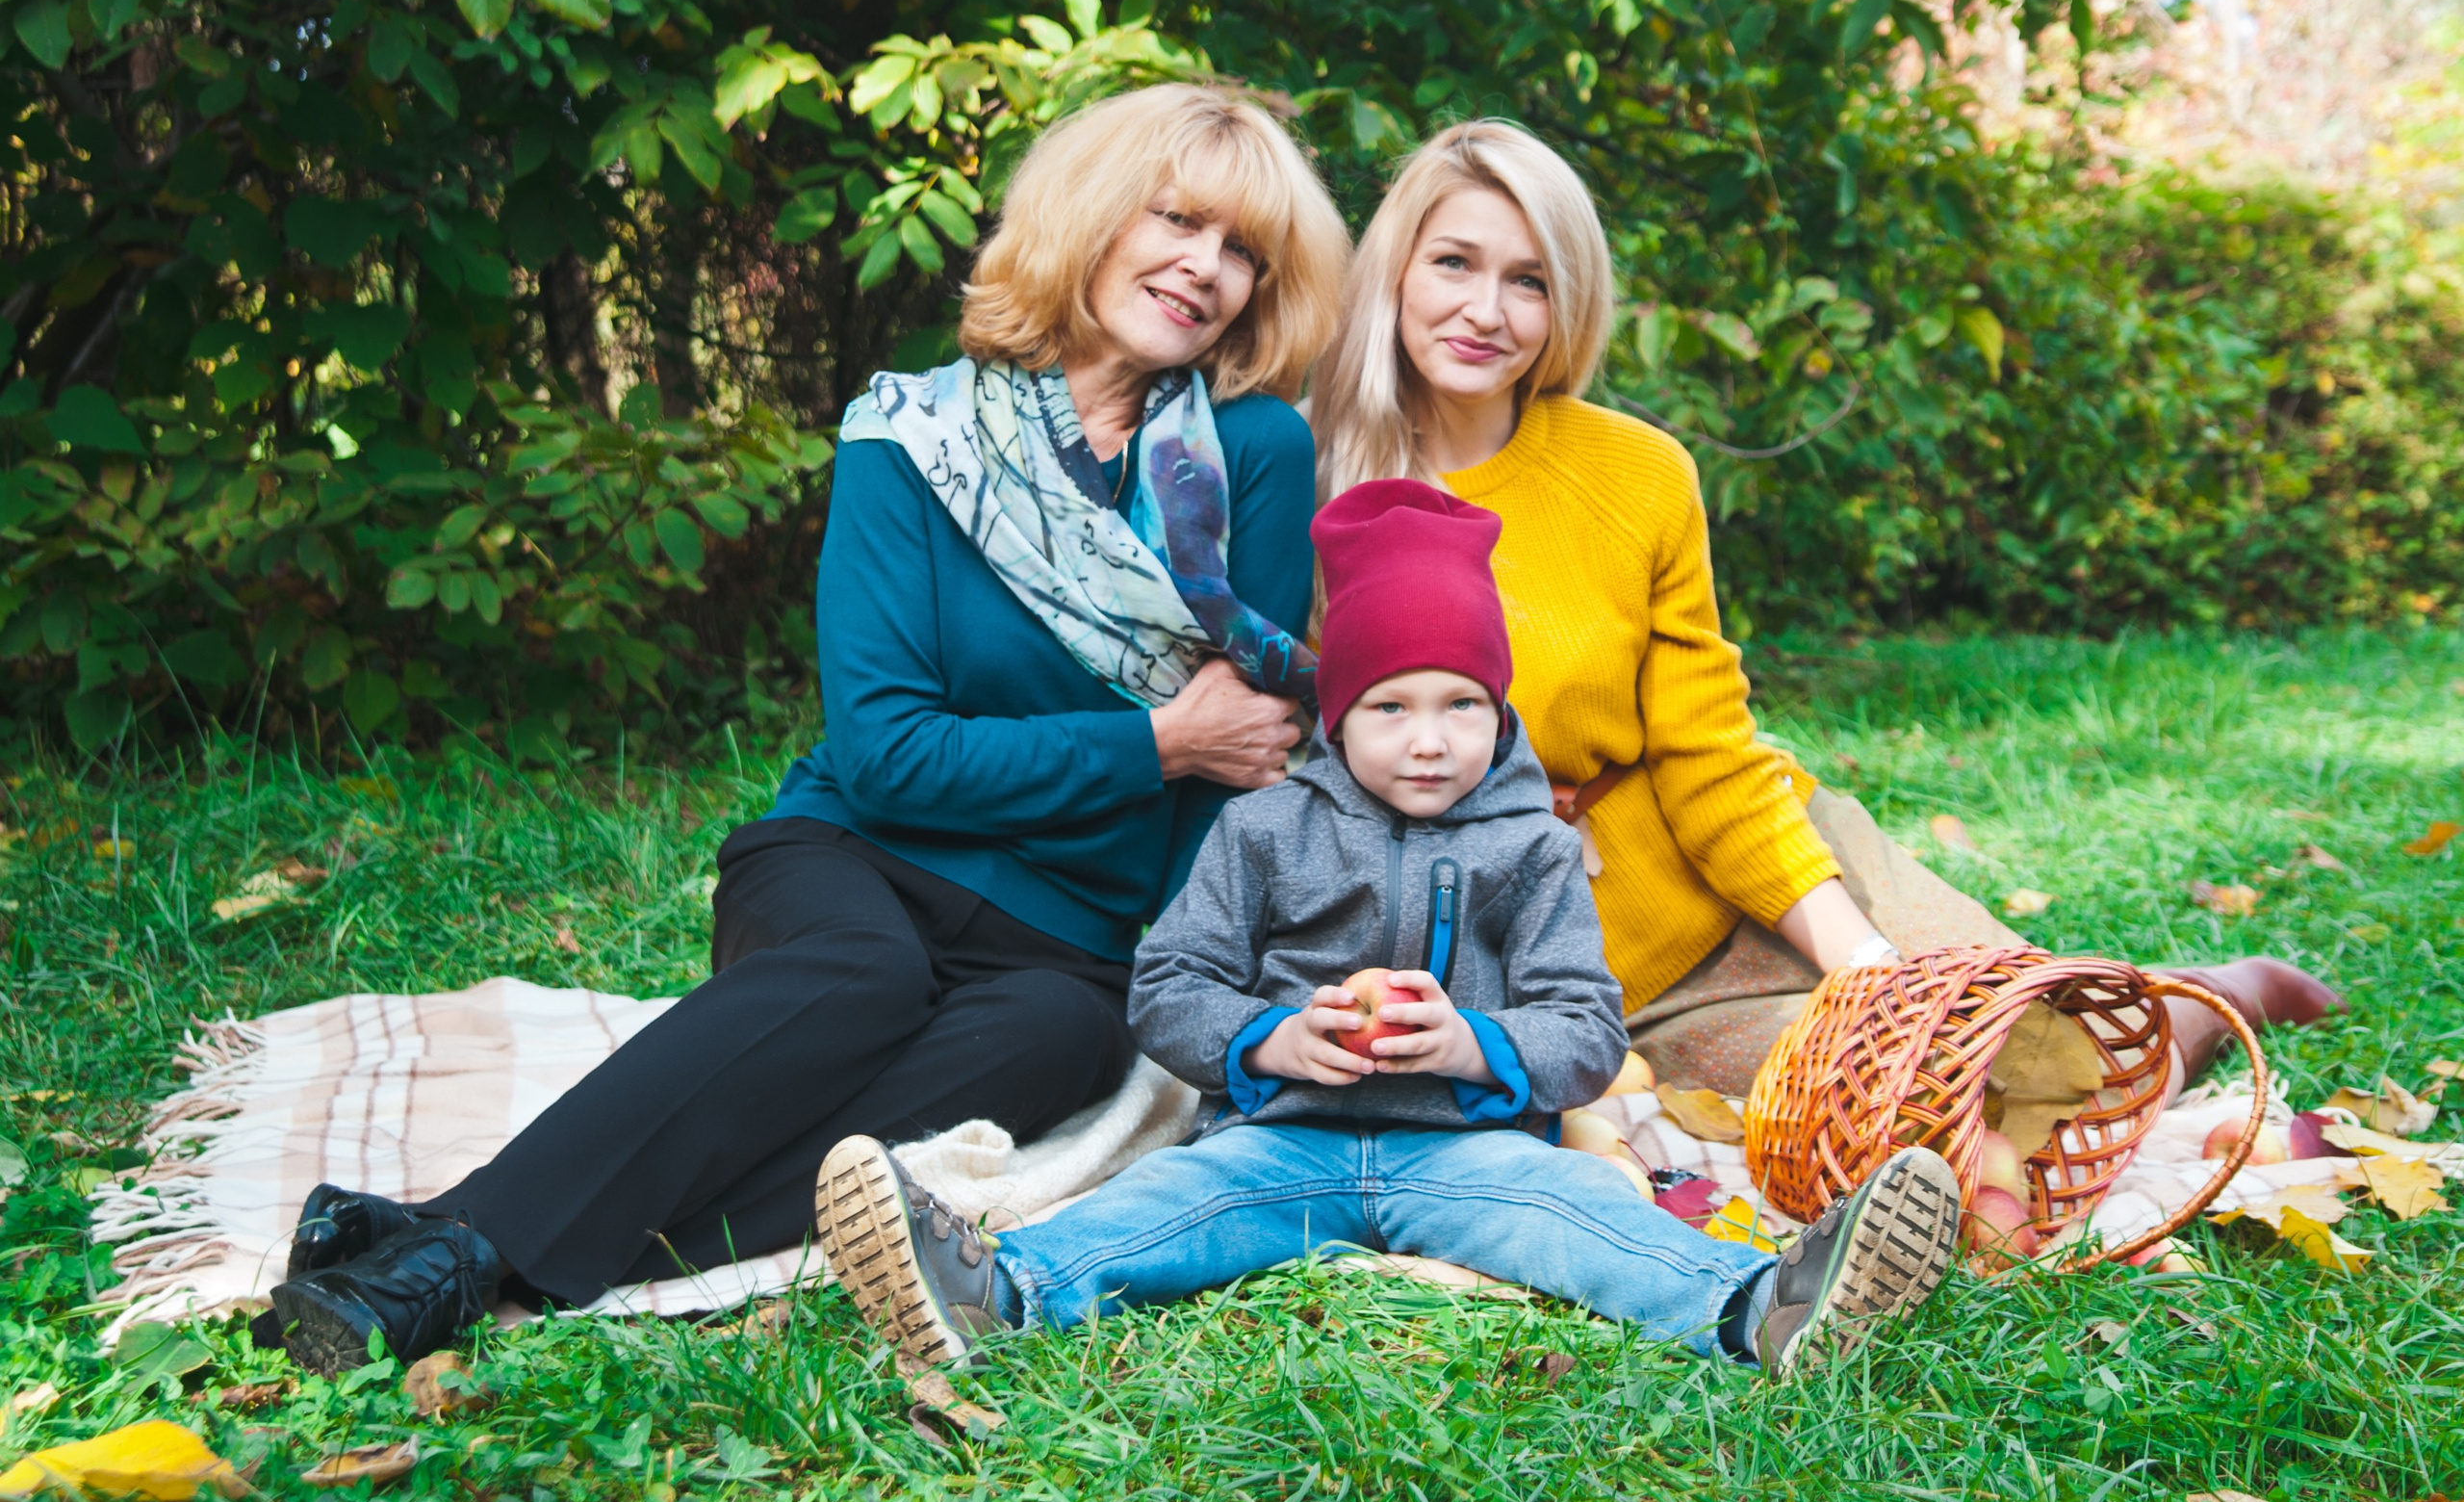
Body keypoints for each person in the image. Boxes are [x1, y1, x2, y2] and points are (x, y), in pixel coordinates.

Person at [260, 83, 1352, 1374]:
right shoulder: (911, 436)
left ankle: (444, 1231)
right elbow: (893, 754)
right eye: (1179, 219)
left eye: (1243, 252)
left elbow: (1238, 778)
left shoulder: (1256, 455)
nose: (1206, 270)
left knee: (1067, 1044)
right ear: (1094, 213)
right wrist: (1157, 742)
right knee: (862, 975)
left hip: (1065, 942)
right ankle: (453, 1257)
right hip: (854, 856)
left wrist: (1181, 977)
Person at [815, 479, 1964, 1378]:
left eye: (1463, 703)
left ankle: (1768, 1303)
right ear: (1337, 714)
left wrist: (1470, 1044)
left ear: (1500, 709)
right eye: (1390, 706)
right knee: (1161, 1211)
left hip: (1467, 1154)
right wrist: (1269, 1038)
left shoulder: (1534, 849)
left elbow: (1583, 1028)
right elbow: (1167, 982)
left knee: (1581, 1219)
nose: (1430, 739)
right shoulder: (1263, 830)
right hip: (1283, 1145)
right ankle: (990, 1290)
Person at [1308, 120, 2341, 1100]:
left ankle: (2205, 997)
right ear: (1394, 267)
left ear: (1565, 303)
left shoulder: (1634, 472)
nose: (1486, 311)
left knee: (2035, 1049)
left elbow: (1707, 751)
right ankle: (2149, 1010)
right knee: (1936, 1106)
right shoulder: (1302, 477)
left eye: (1527, 280)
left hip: (1766, 858)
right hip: (1590, 974)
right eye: (1453, 262)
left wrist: (1867, 967)